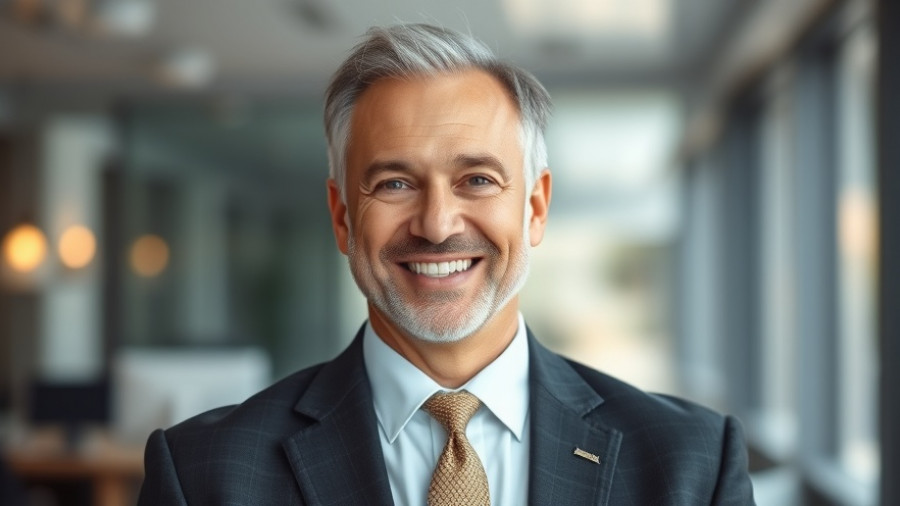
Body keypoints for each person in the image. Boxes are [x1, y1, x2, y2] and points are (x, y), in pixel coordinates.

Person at [138, 23, 755, 505]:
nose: (437, 224)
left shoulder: (688, 464)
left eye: (477, 179)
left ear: (535, 208)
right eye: (396, 183)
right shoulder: (206, 474)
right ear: (342, 216)